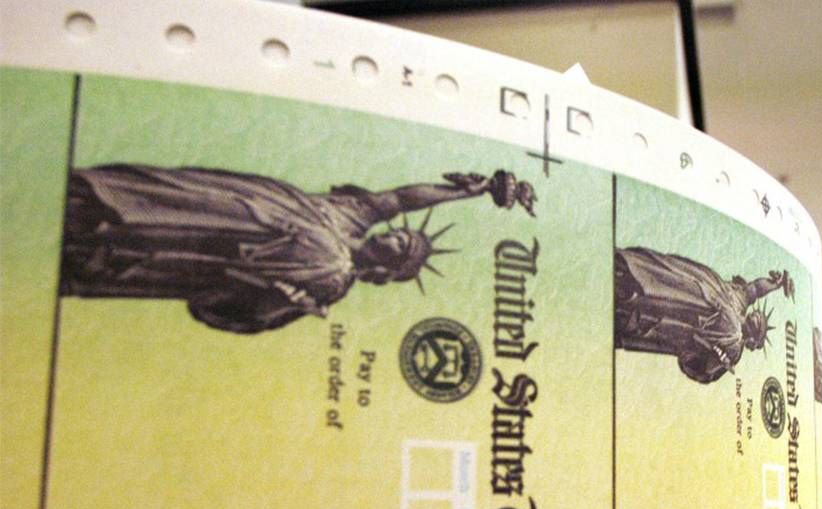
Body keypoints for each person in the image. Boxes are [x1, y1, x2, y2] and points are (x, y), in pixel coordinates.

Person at [60, 164, 536, 333]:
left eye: (402, 248)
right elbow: (399, 199)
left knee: (117, 242)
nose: (395, 236)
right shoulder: (356, 216)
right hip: (212, 202)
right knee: (122, 198)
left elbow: (239, 315)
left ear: (390, 272)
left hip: (194, 254)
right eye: (402, 233)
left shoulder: (329, 283)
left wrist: (274, 303)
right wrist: (469, 191)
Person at [614, 247, 794, 383]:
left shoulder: (733, 348)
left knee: (653, 305)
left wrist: (715, 359)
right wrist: (776, 284)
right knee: (657, 274)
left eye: (760, 324)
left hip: (682, 319)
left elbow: (703, 371)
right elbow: (755, 289)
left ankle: (628, 304)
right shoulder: (740, 302)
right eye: (760, 316)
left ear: (754, 340)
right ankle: (628, 270)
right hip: (688, 284)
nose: (759, 317)